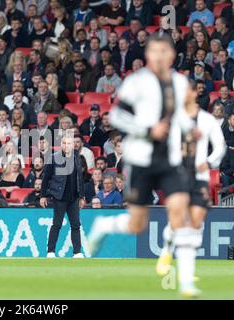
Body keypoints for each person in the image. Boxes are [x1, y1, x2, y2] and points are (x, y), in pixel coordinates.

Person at [87, 34, 201, 297]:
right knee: (137, 224)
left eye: (164, 51)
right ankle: (104, 225)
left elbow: (181, 117)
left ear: (172, 55)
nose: (159, 56)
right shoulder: (135, 83)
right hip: (140, 160)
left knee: (180, 212)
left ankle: (186, 283)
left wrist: (191, 130)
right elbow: (116, 115)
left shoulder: (180, 82)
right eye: (154, 51)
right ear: (148, 55)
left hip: (170, 160)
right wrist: (148, 129)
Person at [156, 80, 226, 278]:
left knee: (196, 222)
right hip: (179, 175)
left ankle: (187, 269)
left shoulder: (207, 120)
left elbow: (220, 146)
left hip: (200, 176)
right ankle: (167, 252)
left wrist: (210, 162)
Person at [40, 133, 85, 258]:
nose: (66, 145)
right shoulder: (53, 158)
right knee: (57, 224)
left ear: (73, 145)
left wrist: (82, 196)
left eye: (69, 143)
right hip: (59, 197)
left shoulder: (77, 158)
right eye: (64, 143)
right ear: (61, 144)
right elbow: (46, 178)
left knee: (76, 225)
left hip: (74, 198)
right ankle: (50, 251)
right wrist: (43, 196)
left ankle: (77, 252)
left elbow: (80, 178)